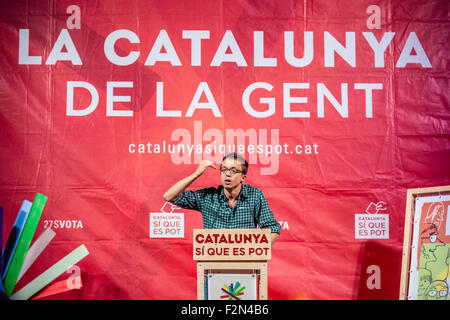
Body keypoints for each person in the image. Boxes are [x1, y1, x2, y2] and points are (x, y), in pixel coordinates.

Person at [163, 153, 280, 245]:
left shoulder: (254, 195)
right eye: (224, 170)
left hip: (246, 267)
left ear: (243, 177)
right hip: (213, 267)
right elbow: (169, 196)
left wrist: (256, 254)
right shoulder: (208, 197)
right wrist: (196, 174)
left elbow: (273, 228)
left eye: (233, 171)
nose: (227, 174)